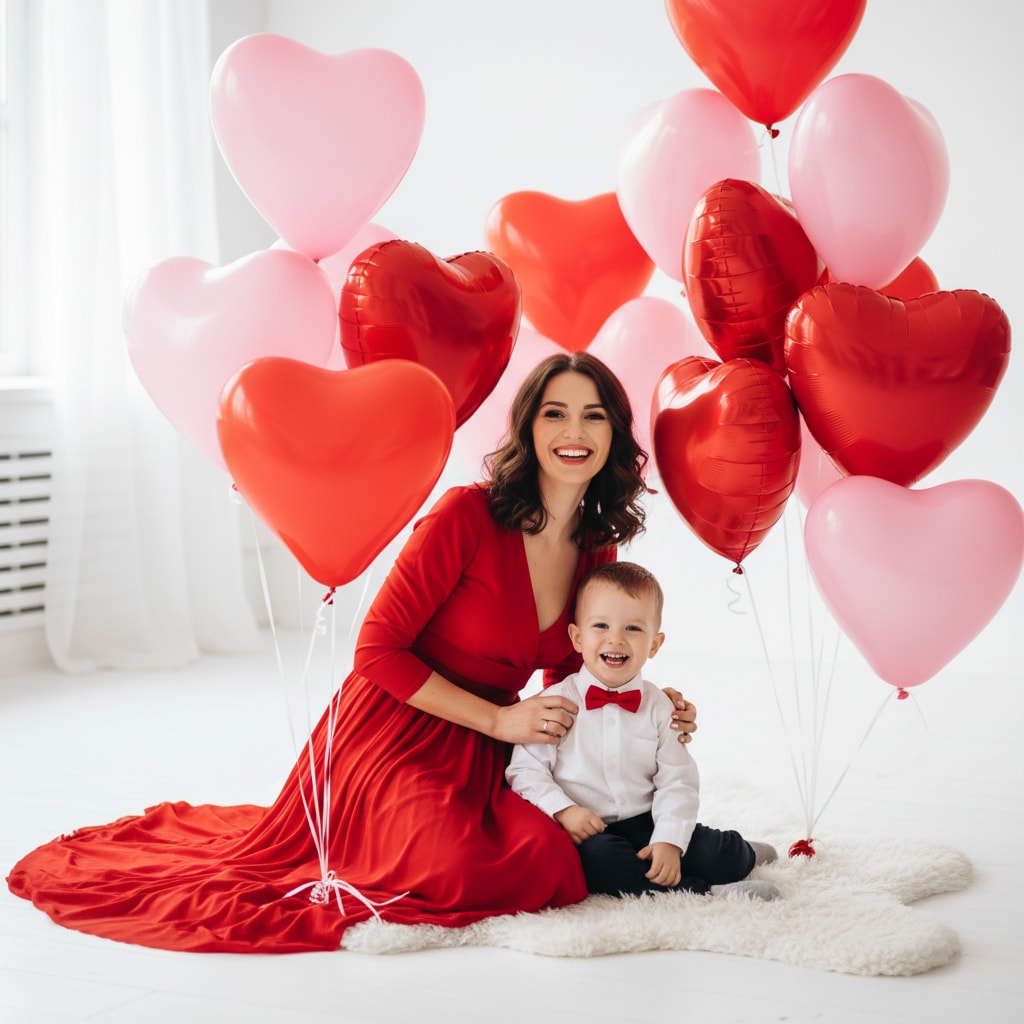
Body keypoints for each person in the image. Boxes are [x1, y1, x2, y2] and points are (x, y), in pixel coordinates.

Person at [7, 352, 698, 953]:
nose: (574, 433)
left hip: (494, 742)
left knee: (546, 856)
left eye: (594, 416)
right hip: (395, 728)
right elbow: (375, 650)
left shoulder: (597, 547)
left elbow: (575, 672)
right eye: (555, 414)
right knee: (458, 867)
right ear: (528, 427)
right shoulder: (465, 515)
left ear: (614, 434)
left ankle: (701, 857)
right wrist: (496, 721)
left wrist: (651, 706)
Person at [506, 560, 778, 900]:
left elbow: (677, 779)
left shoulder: (661, 707)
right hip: (591, 829)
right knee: (602, 866)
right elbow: (525, 770)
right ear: (577, 637)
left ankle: (742, 853)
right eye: (601, 625)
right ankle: (705, 893)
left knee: (715, 853)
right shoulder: (555, 704)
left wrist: (667, 840)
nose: (616, 638)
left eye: (633, 629)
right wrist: (565, 810)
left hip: (650, 818)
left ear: (654, 644)